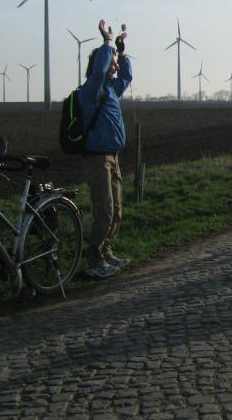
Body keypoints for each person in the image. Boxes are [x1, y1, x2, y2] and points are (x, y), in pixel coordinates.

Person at [81, 20, 133, 279]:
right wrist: (107, 43)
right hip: (97, 159)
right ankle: (93, 260)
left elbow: (127, 77)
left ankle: (106, 250)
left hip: (113, 157)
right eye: (112, 63)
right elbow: (101, 70)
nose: (115, 66)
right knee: (105, 211)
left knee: (117, 210)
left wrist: (121, 51)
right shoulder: (92, 90)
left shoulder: (111, 90)